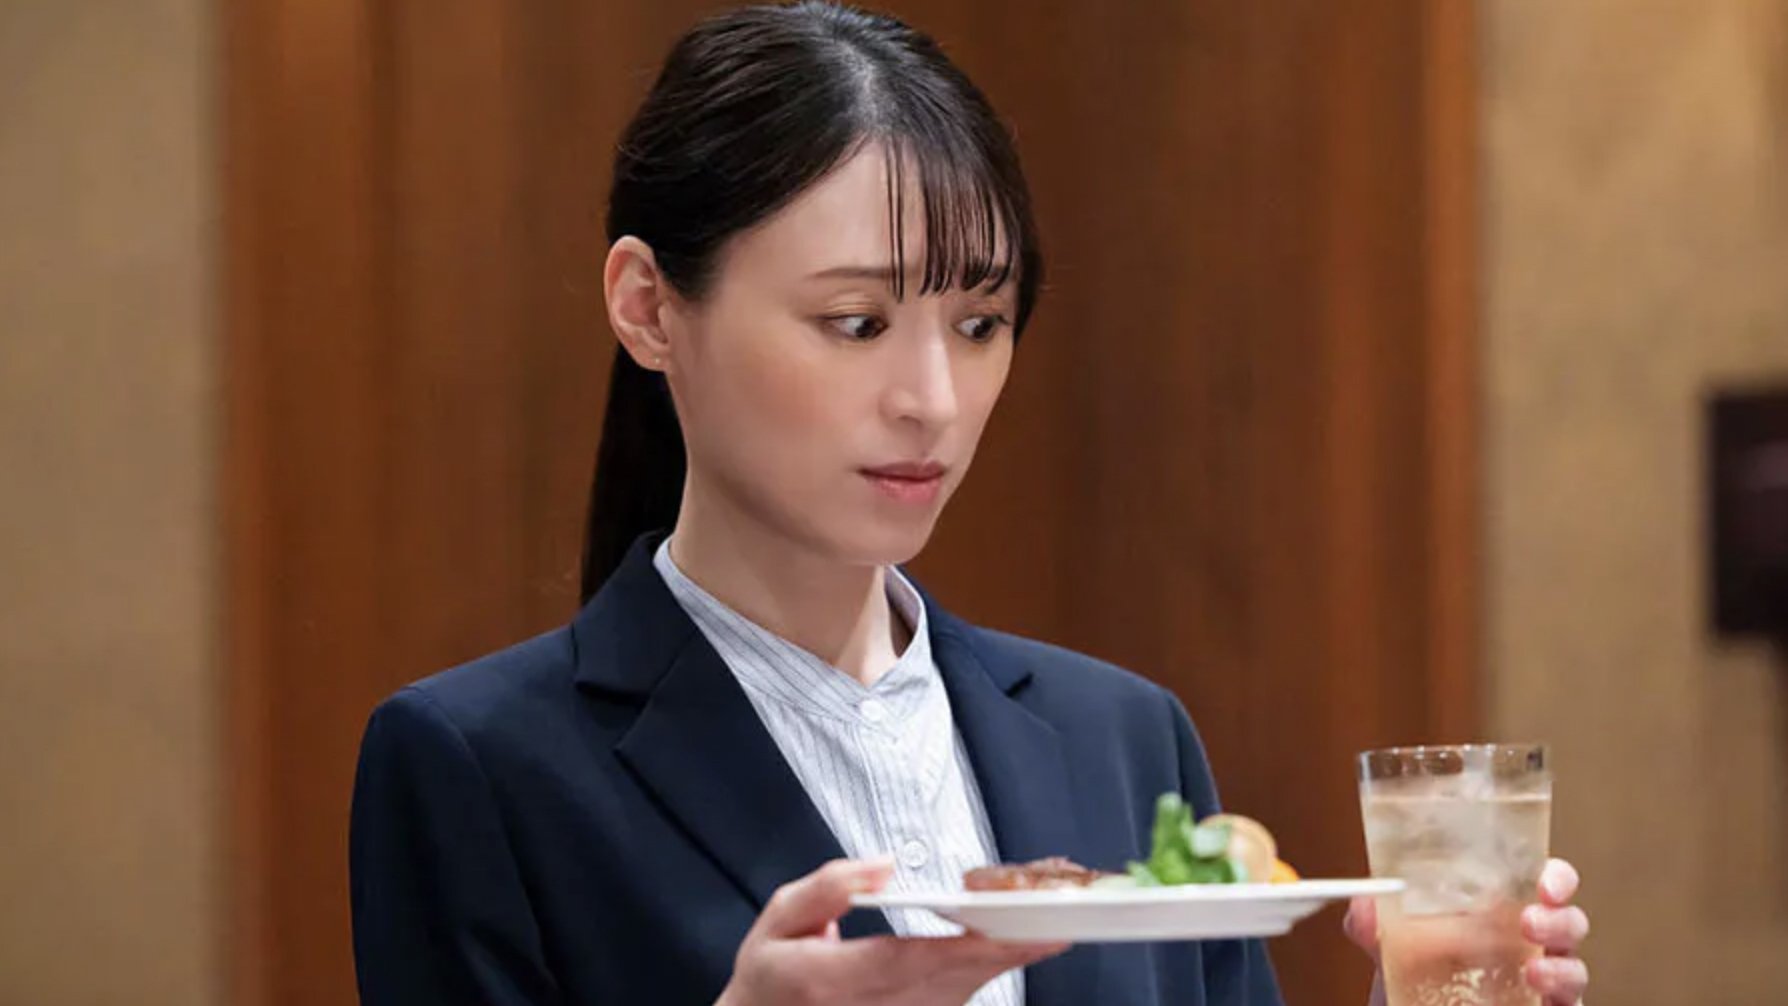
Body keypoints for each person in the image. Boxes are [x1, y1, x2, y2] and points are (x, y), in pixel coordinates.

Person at [348, 3, 1591, 1004]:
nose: (933, 400)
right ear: (647, 307)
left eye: (981, 323)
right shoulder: (478, 768)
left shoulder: (1124, 736)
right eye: (857, 322)